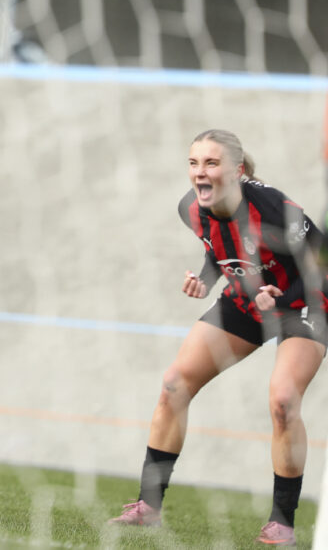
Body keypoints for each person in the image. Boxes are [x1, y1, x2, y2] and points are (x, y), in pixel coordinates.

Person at [108, 129, 327, 545]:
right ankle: (148, 506)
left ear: (238, 170)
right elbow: (218, 247)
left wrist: (283, 293)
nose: (199, 173)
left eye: (211, 163)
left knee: (283, 401)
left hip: (305, 306)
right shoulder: (190, 208)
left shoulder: (279, 211)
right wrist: (207, 280)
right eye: (193, 163)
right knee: (174, 384)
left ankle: (281, 523)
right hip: (245, 302)